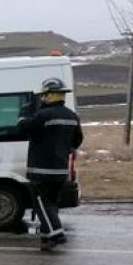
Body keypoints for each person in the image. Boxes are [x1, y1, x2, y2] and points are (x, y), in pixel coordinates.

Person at [17, 78, 84, 252]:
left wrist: (24, 113)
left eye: (44, 96)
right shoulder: (72, 116)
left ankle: (56, 234)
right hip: (60, 172)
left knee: (41, 205)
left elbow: (23, 127)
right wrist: (65, 151)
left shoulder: (43, 115)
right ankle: (47, 239)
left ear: (50, 95)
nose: (42, 99)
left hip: (40, 172)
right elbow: (77, 140)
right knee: (51, 205)